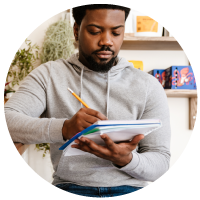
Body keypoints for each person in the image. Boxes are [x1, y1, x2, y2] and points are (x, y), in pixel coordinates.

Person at [4, 5, 171, 197]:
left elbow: (160, 163)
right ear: (76, 31)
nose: (107, 41)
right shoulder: (49, 75)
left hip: (130, 189)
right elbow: (8, 120)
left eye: (116, 32)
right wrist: (65, 128)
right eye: (95, 31)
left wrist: (126, 159)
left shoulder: (148, 85)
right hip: (70, 187)